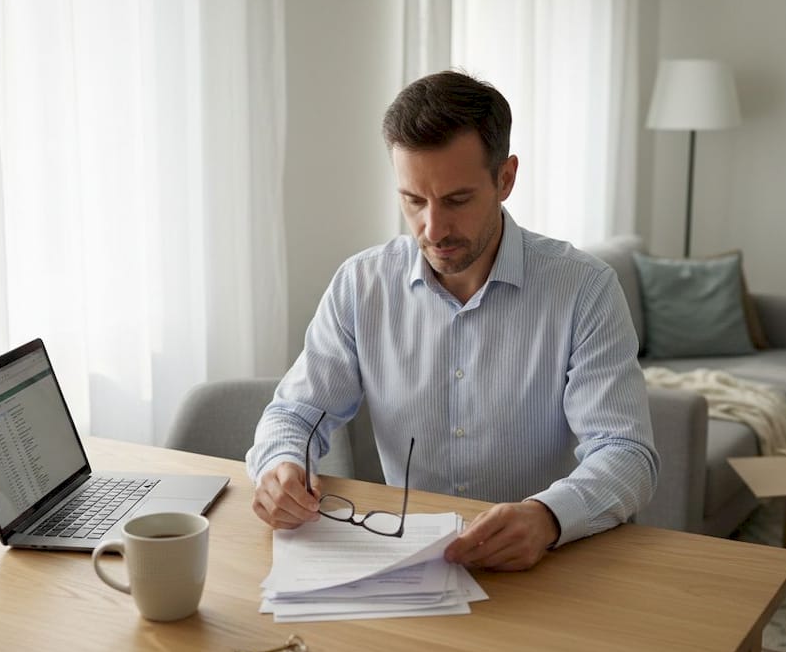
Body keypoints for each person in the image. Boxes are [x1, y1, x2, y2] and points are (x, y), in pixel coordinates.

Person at [246, 70, 658, 571]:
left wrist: (548, 516)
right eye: (413, 201)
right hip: (408, 562)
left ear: (505, 179)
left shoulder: (585, 289)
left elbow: (626, 452)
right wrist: (279, 465)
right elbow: (295, 415)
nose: (433, 228)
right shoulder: (361, 285)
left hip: (544, 567)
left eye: (457, 200)